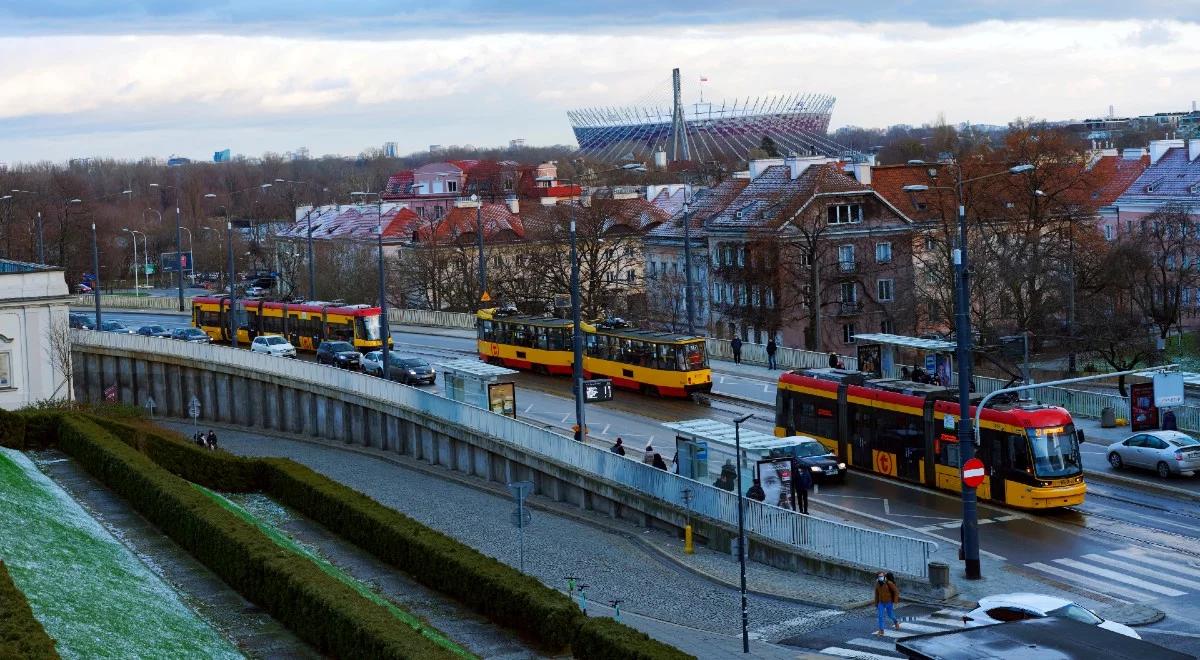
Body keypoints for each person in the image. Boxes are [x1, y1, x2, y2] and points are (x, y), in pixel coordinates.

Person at [873, 571, 901, 635]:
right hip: (881, 602)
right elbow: (876, 594)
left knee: (890, 615)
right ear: (877, 577)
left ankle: (896, 622)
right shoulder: (877, 584)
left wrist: (895, 601)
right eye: (879, 576)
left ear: (884, 576)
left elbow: (896, 592)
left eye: (882, 576)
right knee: (880, 616)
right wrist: (876, 603)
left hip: (889, 602)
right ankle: (881, 630)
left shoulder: (889, 583)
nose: (881, 577)